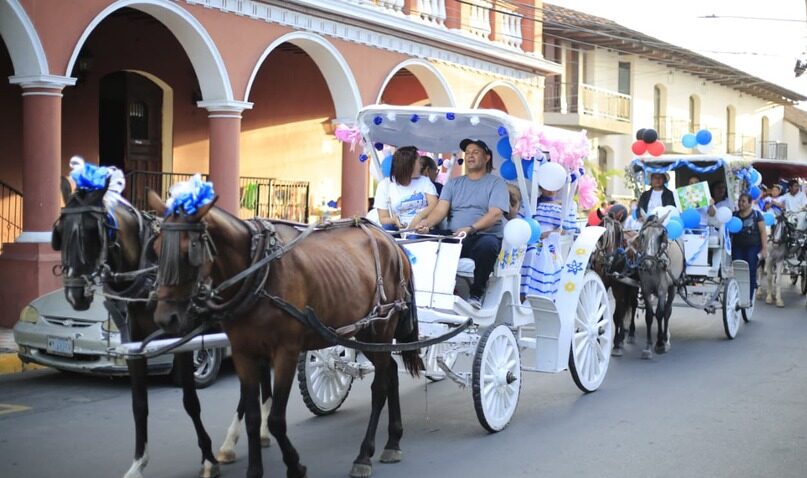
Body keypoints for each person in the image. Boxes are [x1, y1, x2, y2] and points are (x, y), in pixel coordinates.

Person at [415, 139, 510, 309]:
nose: (470, 156)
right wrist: (427, 224)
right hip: (456, 235)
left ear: (487, 157)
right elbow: (440, 209)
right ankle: (427, 293)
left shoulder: (497, 183)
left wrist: (471, 228)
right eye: (468, 153)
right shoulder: (453, 183)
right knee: (424, 241)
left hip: (482, 236)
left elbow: (495, 213)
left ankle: (476, 294)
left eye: (475, 152)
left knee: (488, 245)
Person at [520, 180, 577, 299]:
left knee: (537, 253)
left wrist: (550, 233)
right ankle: (523, 290)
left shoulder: (564, 206)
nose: (551, 190)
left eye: (554, 186)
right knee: (529, 251)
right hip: (531, 237)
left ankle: (538, 293)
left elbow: (565, 229)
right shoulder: (532, 203)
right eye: (547, 187)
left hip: (550, 241)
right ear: (541, 187)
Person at [374, 146, 437, 231]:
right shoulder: (385, 185)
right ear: (409, 166)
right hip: (399, 228)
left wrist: (419, 217)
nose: (421, 166)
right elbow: (383, 218)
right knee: (386, 228)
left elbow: (434, 204)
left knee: (414, 236)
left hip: (422, 227)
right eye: (419, 162)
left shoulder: (425, 181)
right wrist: (394, 220)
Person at [730, 192, 767, 298]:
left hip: (753, 247)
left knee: (750, 270)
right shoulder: (734, 215)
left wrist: (764, 248)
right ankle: (738, 294)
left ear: (750, 203)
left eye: (743, 201)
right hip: (737, 246)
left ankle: (749, 297)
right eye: (739, 201)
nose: (740, 203)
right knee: (738, 269)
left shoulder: (757, 215)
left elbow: (763, 232)